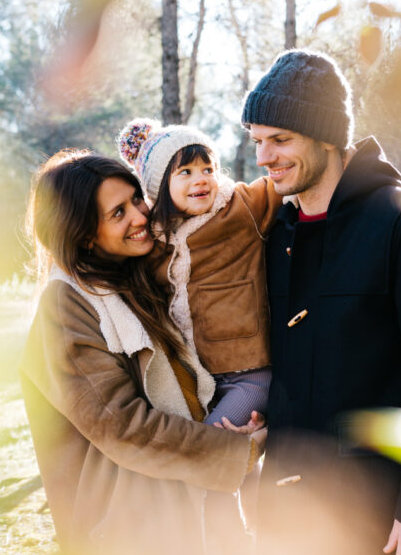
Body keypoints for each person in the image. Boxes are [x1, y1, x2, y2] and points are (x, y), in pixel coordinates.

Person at [241, 49, 401, 555]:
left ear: (325, 136)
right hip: (286, 510)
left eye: (280, 139)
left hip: (373, 509)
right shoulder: (276, 235)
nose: (265, 157)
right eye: (256, 142)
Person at [18, 149, 265, 555]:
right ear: (85, 237)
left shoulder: (132, 280)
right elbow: (121, 426)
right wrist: (236, 452)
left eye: (136, 199)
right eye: (118, 212)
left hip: (183, 516)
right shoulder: (66, 306)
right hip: (131, 544)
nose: (139, 216)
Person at [116, 119, 282, 427]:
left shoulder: (239, 207)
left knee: (210, 445)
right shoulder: (154, 242)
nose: (201, 179)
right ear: (158, 186)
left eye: (208, 169)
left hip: (250, 373)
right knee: (218, 453)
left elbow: (282, 187)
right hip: (197, 380)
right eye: (186, 172)